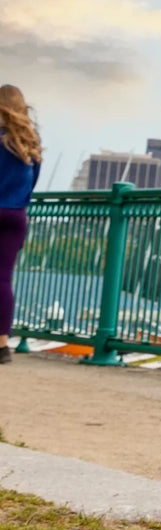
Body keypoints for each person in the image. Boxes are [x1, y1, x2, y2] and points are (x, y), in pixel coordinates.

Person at [0, 83, 42, 365]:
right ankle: (2, 346)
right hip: (16, 215)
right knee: (2, 280)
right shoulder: (29, 142)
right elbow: (32, 182)